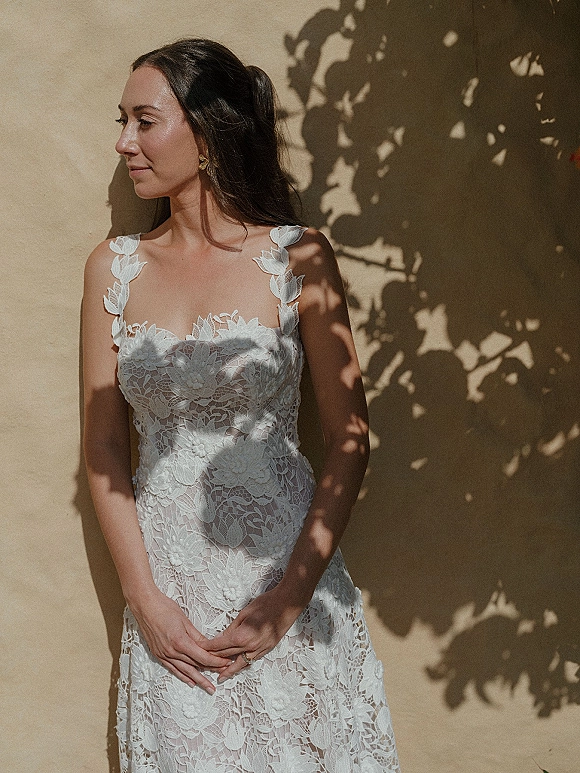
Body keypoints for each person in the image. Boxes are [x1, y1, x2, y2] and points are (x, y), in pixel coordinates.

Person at [82, 38, 400, 773]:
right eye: (120, 121)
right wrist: (146, 602)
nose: (124, 142)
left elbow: (350, 439)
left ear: (208, 129)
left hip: (288, 589)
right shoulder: (114, 268)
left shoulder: (300, 258)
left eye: (143, 120)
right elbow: (102, 447)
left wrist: (286, 599)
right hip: (171, 606)